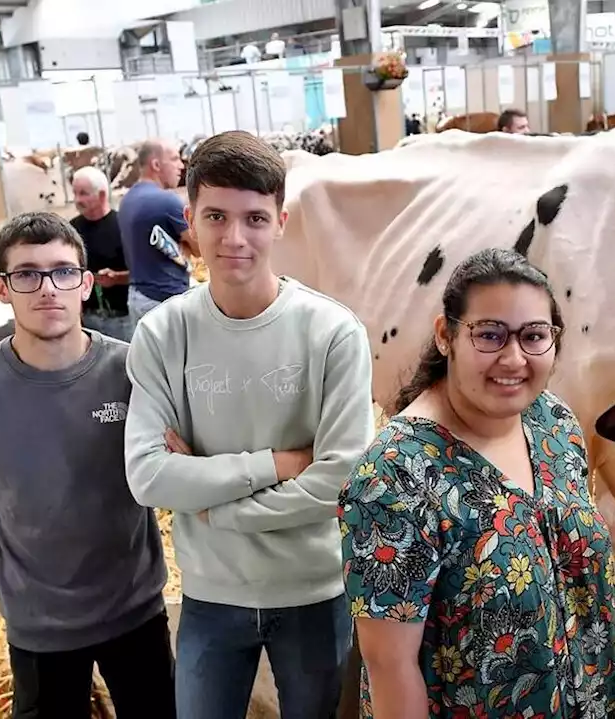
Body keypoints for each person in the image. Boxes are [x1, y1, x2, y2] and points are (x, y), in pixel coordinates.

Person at [123, 130, 373, 718]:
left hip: (315, 592)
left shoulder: (333, 332)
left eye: (255, 218)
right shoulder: (163, 333)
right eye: (216, 216)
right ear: (190, 220)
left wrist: (212, 505)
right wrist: (279, 464)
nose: (235, 238)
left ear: (282, 221)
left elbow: (341, 478)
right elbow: (148, 477)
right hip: (210, 593)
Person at [339, 248, 615, 719]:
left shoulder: (553, 424)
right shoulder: (396, 476)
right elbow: (390, 666)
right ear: (445, 336)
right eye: (490, 335)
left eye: (534, 336)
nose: (514, 358)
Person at [0, 213, 175, 719]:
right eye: (27, 274)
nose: (48, 289)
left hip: (135, 608)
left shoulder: (133, 373)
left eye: (63, 271)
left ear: (86, 284)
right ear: (0, 287)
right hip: (41, 621)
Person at [117, 139, 194, 325]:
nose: (181, 166)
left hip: (138, 298)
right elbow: (201, 247)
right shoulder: (167, 201)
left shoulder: (127, 199)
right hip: (164, 302)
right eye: (175, 159)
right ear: (156, 164)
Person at [70, 166, 132, 341]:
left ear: (102, 195)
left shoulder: (124, 226)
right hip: (87, 321)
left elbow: (145, 274)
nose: (77, 199)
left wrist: (117, 278)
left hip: (123, 320)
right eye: (75, 193)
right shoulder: (71, 231)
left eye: (83, 193)